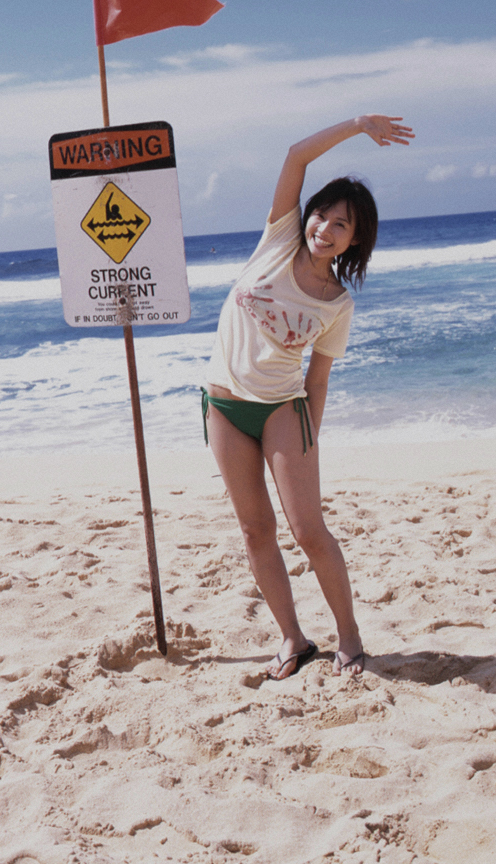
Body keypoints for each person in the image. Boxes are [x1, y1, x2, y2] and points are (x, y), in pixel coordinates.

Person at [202, 114, 415, 680]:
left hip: (282, 413)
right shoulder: (279, 238)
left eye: (341, 224)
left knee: (307, 530)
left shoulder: (337, 304)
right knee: (254, 530)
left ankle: (349, 638)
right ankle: (293, 639)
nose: (324, 227)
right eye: (322, 213)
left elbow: (317, 378)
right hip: (223, 406)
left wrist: (308, 436)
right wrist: (358, 125)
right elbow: (296, 156)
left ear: (355, 239)